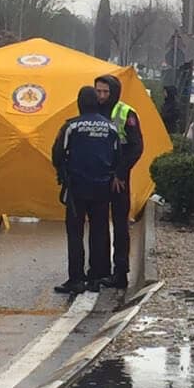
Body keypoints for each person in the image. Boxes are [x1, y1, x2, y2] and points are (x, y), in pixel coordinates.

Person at [51, 86, 120, 294]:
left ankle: (76, 279)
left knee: (75, 233)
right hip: (102, 187)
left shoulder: (71, 127)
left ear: (79, 103)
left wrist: (63, 173)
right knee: (98, 232)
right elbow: (117, 156)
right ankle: (96, 277)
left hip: (77, 187)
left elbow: (57, 153)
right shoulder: (111, 128)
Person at [95, 74, 144, 290]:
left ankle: (120, 272)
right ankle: (101, 270)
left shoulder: (126, 113)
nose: (102, 95)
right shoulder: (92, 110)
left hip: (118, 179)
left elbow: (136, 147)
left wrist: (120, 173)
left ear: (114, 92)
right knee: (99, 224)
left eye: (106, 91)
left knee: (120, 225)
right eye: (99, 91)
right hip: (98, 177)